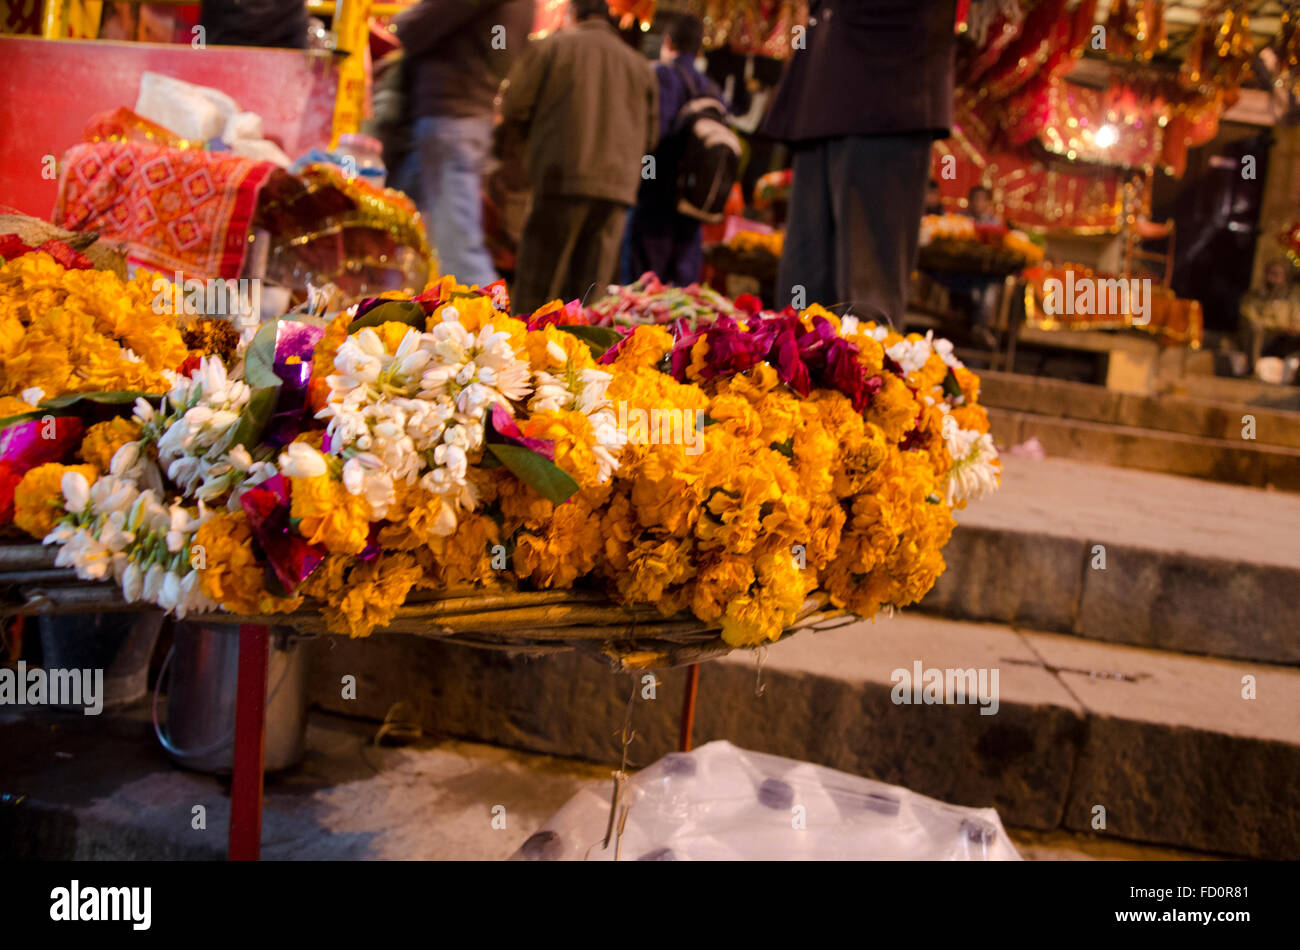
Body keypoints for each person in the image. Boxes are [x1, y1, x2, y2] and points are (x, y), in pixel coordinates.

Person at [761, 0, 957, 323]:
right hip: (822, 92)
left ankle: (866, 369)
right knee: (802, 295)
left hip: (887, 85)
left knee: (866, 297)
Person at [500, 0, 658, 315]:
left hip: (561, 178)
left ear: (572, 13)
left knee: (538, 291)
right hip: (616, 191)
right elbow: (651, 138)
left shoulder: (552, 47)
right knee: (589, 297)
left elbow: (514, 106)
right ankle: (580, 356)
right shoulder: (640, 65)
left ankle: (526, 357)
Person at [391, 0, 533, 287]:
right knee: (413, 241)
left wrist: (403, 22)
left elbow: (411, 26)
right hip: (460, 115)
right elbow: (505, 54)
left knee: (456, 250)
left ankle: (492, 321)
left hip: (450, 115)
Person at [622, 13, 725, 285]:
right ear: (699, 49)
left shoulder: (662, 75)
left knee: (643, 283)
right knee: (681, 288)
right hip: (693, 200)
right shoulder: (711, 87)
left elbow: (654, 134)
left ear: (667, 42)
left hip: (657, 195)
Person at [1240, 258, 1300, 367]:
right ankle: (1252, 370)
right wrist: (1279, 327)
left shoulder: (1290, 299)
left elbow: (1297, 318)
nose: (1274, 278)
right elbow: (1250, 319)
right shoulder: (1253, 297)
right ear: (1265, 275)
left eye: (1278, 275)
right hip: (1265, 339)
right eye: (1272, 274)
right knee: (1256, 329)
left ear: (1284, 278)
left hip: (1286, 340)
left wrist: (1294, 327)